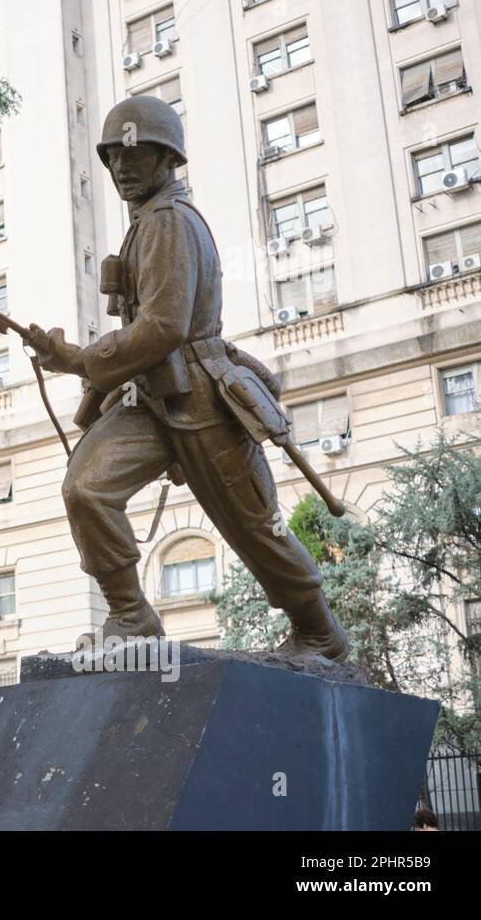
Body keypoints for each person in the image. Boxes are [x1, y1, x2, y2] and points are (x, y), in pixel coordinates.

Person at [28, 95, 348, 660]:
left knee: (256, 529)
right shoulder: (146, 223)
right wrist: (78, 363)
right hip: (150, 399)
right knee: (86, 487)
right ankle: (131, 616)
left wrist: (80, 359)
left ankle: (319, 632)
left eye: (137, 154)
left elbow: (162, 328)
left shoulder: (169, 222)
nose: (123, 167)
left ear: (167, 158)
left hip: (202, 400)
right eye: (113, 158)